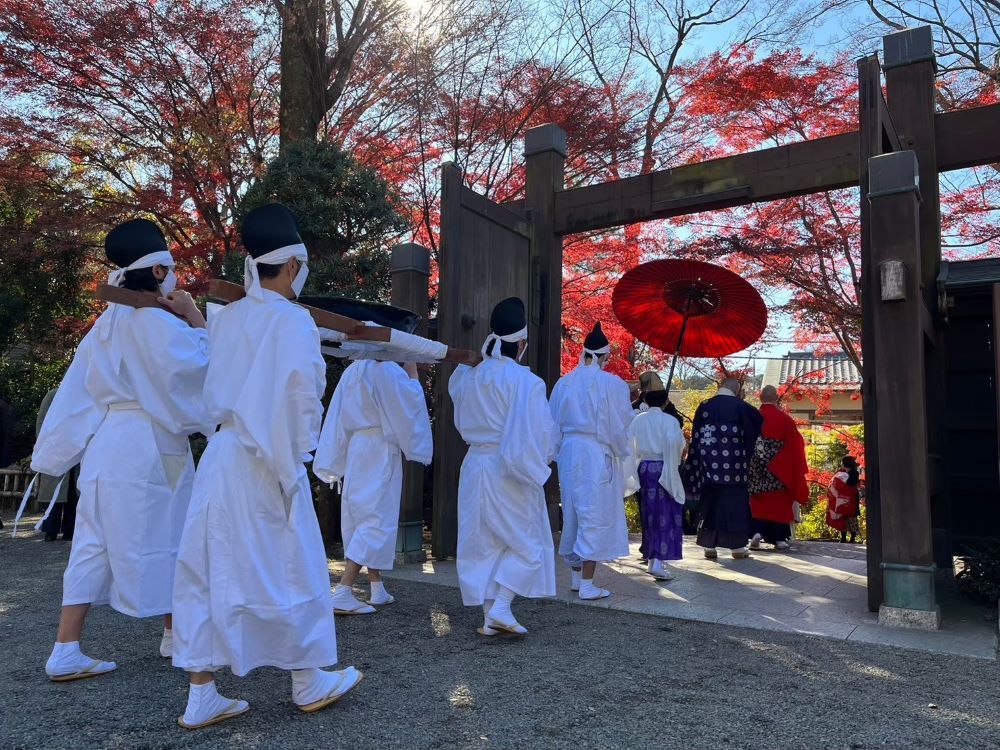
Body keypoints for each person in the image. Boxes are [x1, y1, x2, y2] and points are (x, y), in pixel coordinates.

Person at [171, 203, 362, 729]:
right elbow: (302, 396)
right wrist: (297, 460)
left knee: (208, 568)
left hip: (222, 454)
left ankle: (202, 692)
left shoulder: (226, 317)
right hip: (269, 457)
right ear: (295, 265)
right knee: (290, 563)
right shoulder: (294, 321)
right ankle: (306, 679)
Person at [31, 218, 209, 682]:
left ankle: (66, 647)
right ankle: (178, 637)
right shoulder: (154, 322)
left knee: (92, 543)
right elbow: (204, 370)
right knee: (175, 534)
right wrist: (194, 317)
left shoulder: (107, 324)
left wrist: (55, 454)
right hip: (149, 443)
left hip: (106, 444)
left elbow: (77, 393)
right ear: (156, 272)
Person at [449, 297, 557, 636]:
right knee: (528, 540)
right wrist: (541, 465)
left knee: (481, 542)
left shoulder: (468, 376)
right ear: (521, 343)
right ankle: (501, 606)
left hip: (474, 462)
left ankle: (490, 615)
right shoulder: (527, 382)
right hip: (508, 465)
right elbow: (539, 433)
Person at [314, 354, 432, 615]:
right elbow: (409, 401)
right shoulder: (387, 370)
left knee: (360, 513)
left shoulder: (353, 371)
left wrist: (336, 456)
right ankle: (344, 590)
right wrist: (411, 367)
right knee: (376, 517)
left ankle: (377, 586)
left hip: (357, 446)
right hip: (379, 447)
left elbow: (336, 417)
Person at [550, 323, 633, 600]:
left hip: (569, 451)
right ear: (604, 356)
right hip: (596, 451)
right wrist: (621, 451)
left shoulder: (564, 383)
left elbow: (551, 424)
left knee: (573, 510)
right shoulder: (612, 384)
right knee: (593, 513)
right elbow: (622, 425)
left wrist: (553, 454)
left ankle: (576, 577)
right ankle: (586, 583)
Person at [683, 377, 763, 559]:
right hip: (734, 467)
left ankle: (708, 546)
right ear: (737, 390)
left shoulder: (704, 406)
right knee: (735, 505)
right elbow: (756, 428)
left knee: (710, 504)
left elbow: (695, 438)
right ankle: (737, 547)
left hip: (707, 466)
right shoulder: (741, 407)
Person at [626, 390, 687, 580]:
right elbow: (679, 445)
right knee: (666, 514)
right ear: (665, 402)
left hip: (644, 467)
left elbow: (630, 445)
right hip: (664, 467)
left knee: (650, 514)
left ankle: (653, 558)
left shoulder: (638, 420)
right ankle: (658, 561)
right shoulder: (670, 421)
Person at [748, 385, 809, 552]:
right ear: (776, 398)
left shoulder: (751, 416)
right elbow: (796, 445)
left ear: (760, 398)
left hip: (756, 467)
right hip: (779, 469)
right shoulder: (785, 420)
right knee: (780, 502)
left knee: (757, 501)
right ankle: (780, 538)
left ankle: (756, 532)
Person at [36, 388, 80, 542]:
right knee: (54, 493)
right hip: (55, 447)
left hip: (77, 448)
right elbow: (41, 420)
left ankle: (70, 530)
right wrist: (43, 443)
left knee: (73, 493)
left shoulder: (85, 394)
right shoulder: (53, 395)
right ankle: (51, 530)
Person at [827, 456, 862, 543]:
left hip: (851, 498)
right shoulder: (841, 472)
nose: (841, 464)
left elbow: (850, 485)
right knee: (842, 517)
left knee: (851, 517)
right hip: (843, 498)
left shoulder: (855, 473)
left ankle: (852, 537)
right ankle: (843, 537)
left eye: (842, 463)